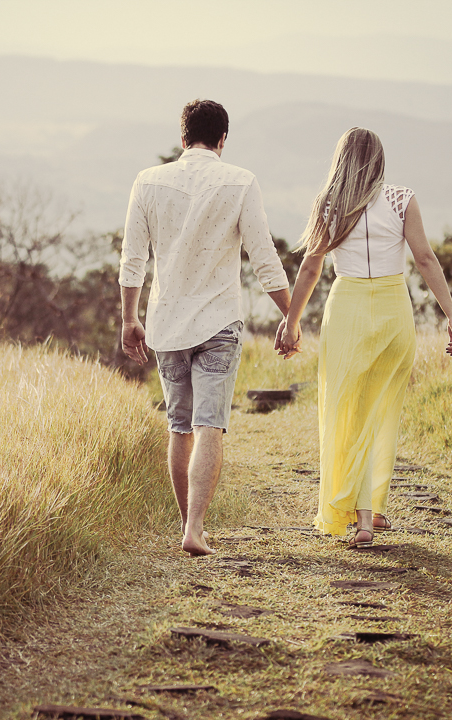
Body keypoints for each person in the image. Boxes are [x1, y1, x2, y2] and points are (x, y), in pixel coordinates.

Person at [276, 127, 452, 548]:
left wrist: (291, 321)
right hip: (394, 312)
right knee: (381, 409)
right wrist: (451, 315)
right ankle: (371, 509)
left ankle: (362, 515)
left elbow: (310, 270)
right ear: (379, 159)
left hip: (347, 312)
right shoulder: (402, 199)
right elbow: (425, 259)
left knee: (350, 411)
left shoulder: (329, 206)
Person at [120, 99, 292, 556]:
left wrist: (129, 318)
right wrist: (290, 318)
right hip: (219, 319)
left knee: (180, 426)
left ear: (182, 138)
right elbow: (264, 259)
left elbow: (132, 260)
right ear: (222, 140)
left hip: (166, 321)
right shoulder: (240, 181)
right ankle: (196, 526)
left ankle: (186, 526)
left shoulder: (147, 181)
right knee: (209, 424)